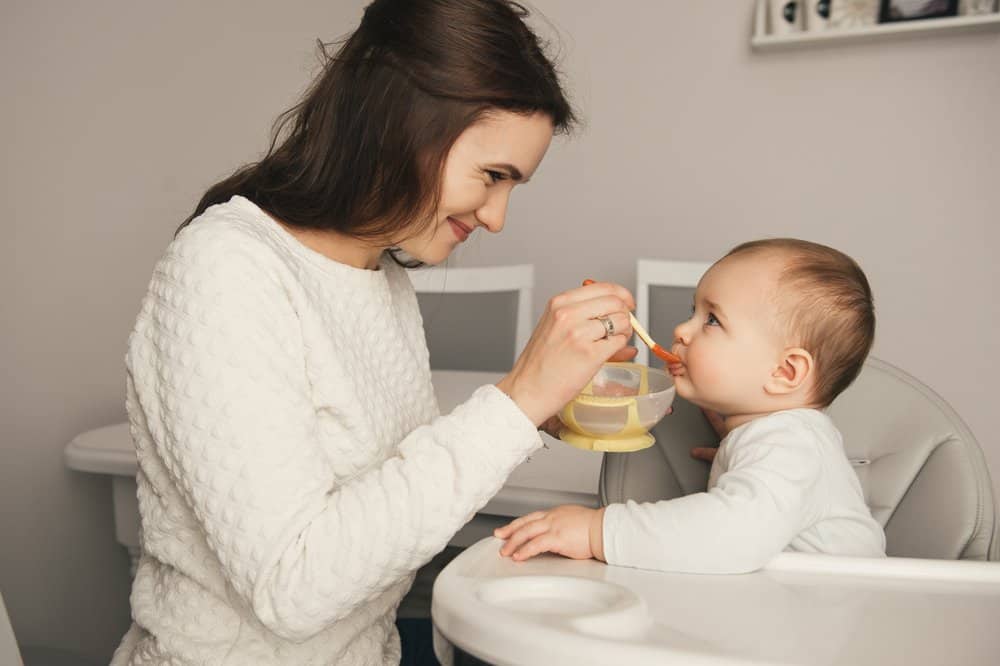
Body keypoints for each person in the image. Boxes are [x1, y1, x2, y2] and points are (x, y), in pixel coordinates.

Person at [111, 2, 639, 664]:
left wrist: (541, 410)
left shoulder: (378, 274)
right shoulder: (223, 269)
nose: (498, 216)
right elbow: (293, 586)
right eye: (493, 175)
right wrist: (515, 401)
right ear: (402, 124)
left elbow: (377, 480)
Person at [495, 238, 886, 573]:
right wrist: (737, 450)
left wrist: (596, 532)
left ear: (785, 371)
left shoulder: (789, 445)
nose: (682, 330)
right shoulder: (779, 438)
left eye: (712, 320)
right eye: (692, 312)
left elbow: (731, 535)